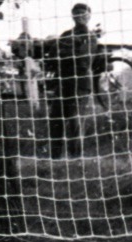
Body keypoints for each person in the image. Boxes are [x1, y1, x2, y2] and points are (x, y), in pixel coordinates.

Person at [38, 4, 104, 156]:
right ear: (72, 16)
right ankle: (55, 157)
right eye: (76, 13)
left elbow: (83, 61)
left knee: (75, 120)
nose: (79, 16)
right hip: (62, 82)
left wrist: (63, 55)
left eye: (83, 13)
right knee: (55, 118)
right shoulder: (66, 35)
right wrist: (64, 55)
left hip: (80, 83)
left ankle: (75, 158)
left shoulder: (90, 37)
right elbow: (52, 57)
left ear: (89, 16)